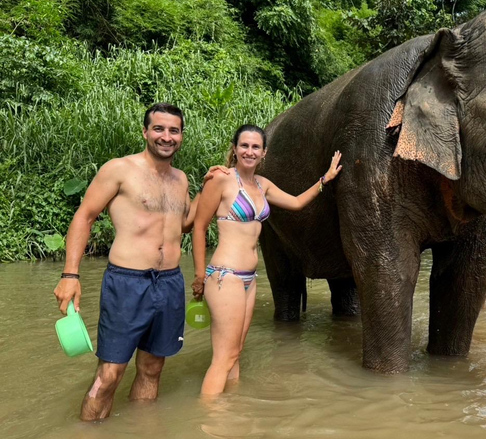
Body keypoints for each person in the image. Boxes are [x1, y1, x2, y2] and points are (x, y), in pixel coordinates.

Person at [53, 103, 198, 421]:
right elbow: (84, 217)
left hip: (170, 283)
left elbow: (184, 224)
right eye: (158, 128)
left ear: (181, 136)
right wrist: (70, 274)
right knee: (109, 375)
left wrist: (213, 189)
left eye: (174, 130)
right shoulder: (119, 169)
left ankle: (139, 428)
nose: (166, 136)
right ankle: (86, 429)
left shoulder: (181, 180)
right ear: (145, 132)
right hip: (128, 282)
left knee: (152, 368)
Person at [192, 124, 342, 395]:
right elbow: (199, 227)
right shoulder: (221, 179)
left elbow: (296, 203)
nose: (249, 151)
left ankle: (229, 418)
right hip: (225, 276)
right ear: (235, 149)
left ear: (264, 153)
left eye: (255, 147)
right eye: (244, 146)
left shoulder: (263, 185)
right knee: (223, 358)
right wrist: (200, 276)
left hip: (249, 279)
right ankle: (208, 421)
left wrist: (325, 180)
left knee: (235, 354)